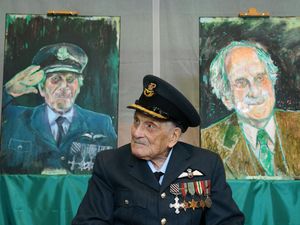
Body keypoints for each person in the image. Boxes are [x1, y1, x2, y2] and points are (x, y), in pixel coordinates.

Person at [72, 74, 244, 225]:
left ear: (173, 137)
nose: (137, 132)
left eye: (150, 126)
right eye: (136, 121)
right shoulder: (109, 164)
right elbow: (89, 222)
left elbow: (228, 221)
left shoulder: (207, 164)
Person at [0, 43, 117, 174]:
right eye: (55, 79)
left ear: (78, 86)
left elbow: (114, 171)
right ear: (41, 88)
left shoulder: (101, 124)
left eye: (70, 80)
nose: (64, 86)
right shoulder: (17, 119)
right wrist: (8, 92)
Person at [201, 40, 300, 179]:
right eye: (241, 82)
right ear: (226, 98)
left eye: (260, 78)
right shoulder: (208, 142)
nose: (255, 92)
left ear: (272, 80)